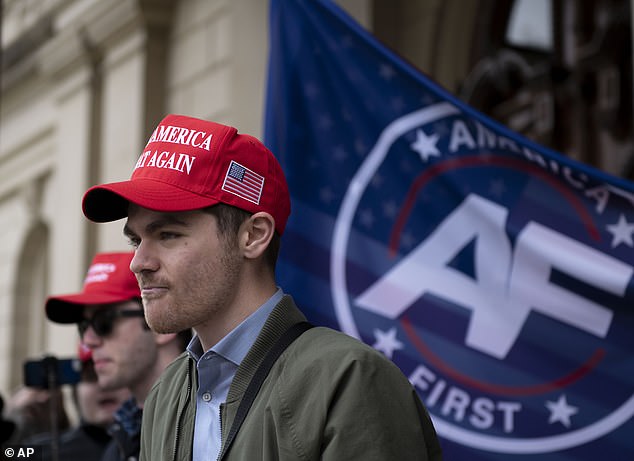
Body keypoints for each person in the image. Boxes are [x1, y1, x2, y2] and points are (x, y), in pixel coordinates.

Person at [81, 114, 443, 460]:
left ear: (253, 236)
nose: (138, 262)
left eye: (168, 234)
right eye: (136, 240)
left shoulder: (350, 380)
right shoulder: (166, 393)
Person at [45, 252, 191, 461]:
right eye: (83, 326)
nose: (88, 341)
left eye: (104, 321)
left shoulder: (208, 423)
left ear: (161, 327)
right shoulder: (119, 441)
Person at [22, 344, 130, 461]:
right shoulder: (37, 453)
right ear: (75, 391)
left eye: (112, 374)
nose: (103, 385)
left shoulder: (150, 445)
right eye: (90, 376)